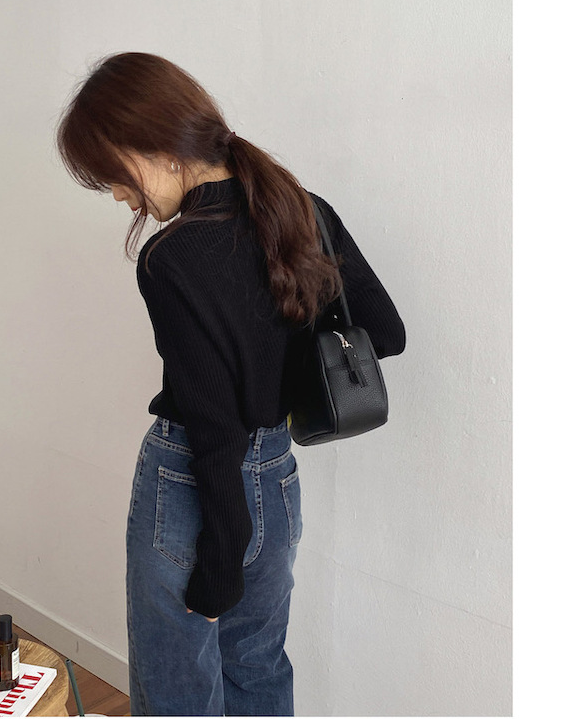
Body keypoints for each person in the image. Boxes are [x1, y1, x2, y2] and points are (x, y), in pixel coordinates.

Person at [55, 51, 406, 717]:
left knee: (179, 691)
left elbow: (215, 430)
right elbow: (384, 333)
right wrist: (276, 361)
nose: (120, 198)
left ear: (153, 148)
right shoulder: (304, 210)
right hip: (277, 478)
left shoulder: (172, 256)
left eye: (114, 177)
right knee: (257, 670)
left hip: (193, 489)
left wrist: (221, 558)